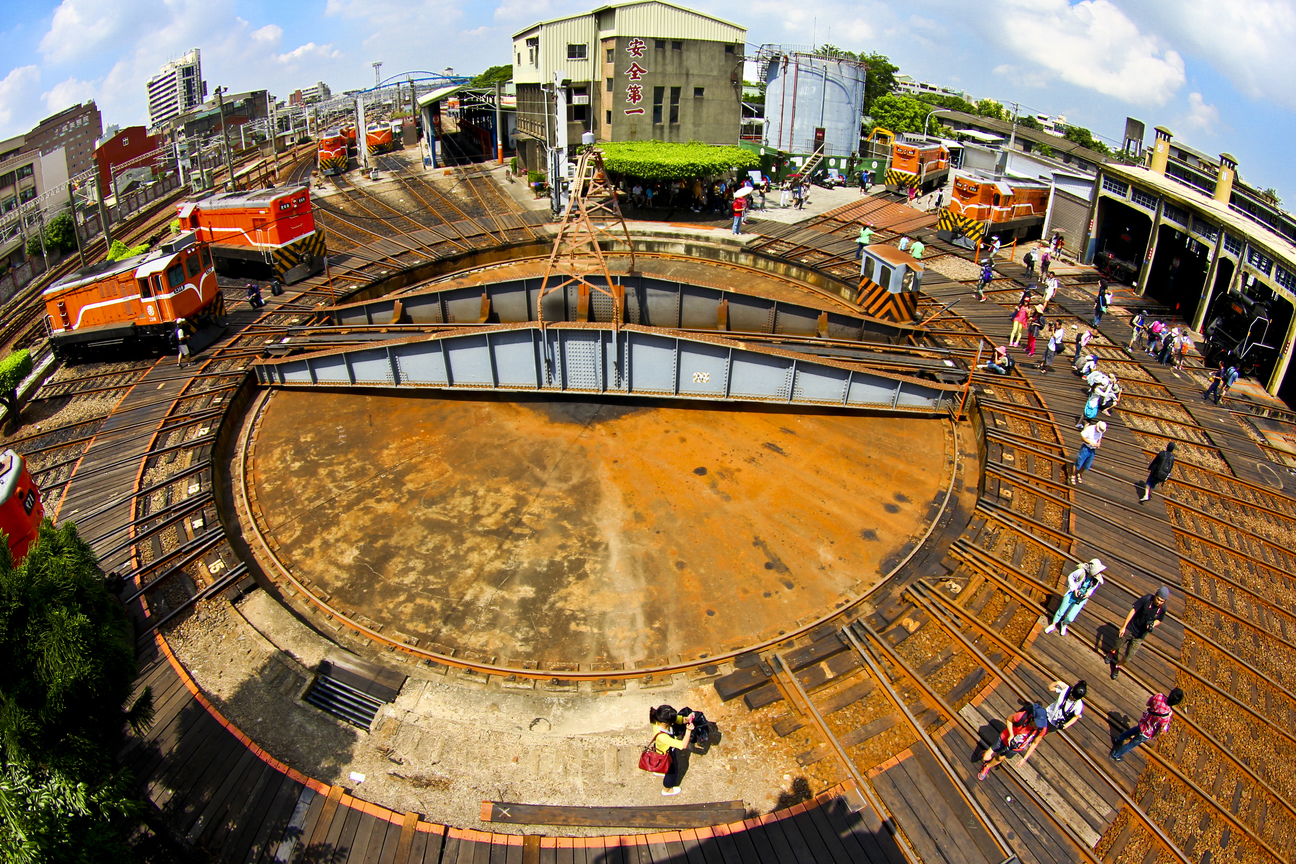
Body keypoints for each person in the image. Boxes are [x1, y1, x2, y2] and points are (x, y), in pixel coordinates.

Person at [1109, 586, 1170, 678]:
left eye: (1162, 601)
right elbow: (1133, 610)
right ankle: (1112, 652)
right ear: (1155, 595)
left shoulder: (1162, 608)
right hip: (1131, 628)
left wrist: (1153, 624)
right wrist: (1124, 626)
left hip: (1140, 635)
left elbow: (1160, 620)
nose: (1159, 602)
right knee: (1118, 643)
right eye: (1159, 599)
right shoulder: (1146, 599)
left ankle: (1118, 665)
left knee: (1129, 656)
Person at [977, 702, 1049, 780]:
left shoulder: (1042, 729)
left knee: (1000, 758)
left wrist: (1024, 759)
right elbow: (1009, 719)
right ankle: (988, 756)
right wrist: (1011, 735)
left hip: (1015, 747)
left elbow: (1035, 743)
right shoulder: (1022, 716)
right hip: (1005, 738)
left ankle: (987, 766)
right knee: (985, 757)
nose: (1038, 726)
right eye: (1037, 723)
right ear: (1032, 718)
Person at [1110, 689, 1184, 761]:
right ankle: (1115, 755)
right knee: (1131, 745)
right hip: (1146, 733)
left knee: (1133, 730)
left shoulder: (1159, 696)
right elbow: (1163, 729)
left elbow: (1148, 703)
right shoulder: (1166, 717)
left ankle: (1118, 739)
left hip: (1143, 722)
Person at [648, 705, 697, 795]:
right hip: (667, 753)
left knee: (660, 761)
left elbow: (678, 719)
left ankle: (659, 770)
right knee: (672, 771)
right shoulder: (662, 737)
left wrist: (687, 719)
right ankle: (667, 789)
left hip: (660, 748)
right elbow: (683, 745)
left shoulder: (658, 719)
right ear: (665, 722)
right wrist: (688, 731)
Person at [1045, 559, 1105, 632]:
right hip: (1072, 594)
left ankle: (1064, 623)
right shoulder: (1081, 572)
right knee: (1061, 611)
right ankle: (1053, 624)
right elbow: (1070, 577)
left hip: (1081, 599)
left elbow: (1093, 588)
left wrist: (1088, 593)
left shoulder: (1096, 579)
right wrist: (1075, 589)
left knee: (1071, 618)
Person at [1070, 420, 1106, 485]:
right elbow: (1083, 437)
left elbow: (1100, 438)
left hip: (1093, 450)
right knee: (1079, 463)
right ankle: (1073, 475)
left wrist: (1099, 443)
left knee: (1086, 465)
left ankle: (1079, 474)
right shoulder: (1090, 429)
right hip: (1086, 448)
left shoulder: (1100, 431)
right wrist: (1090, 442)